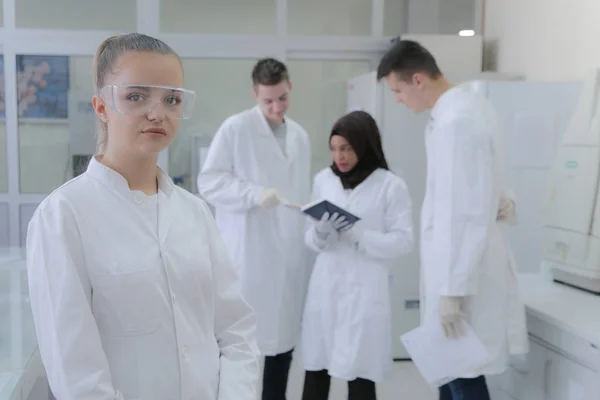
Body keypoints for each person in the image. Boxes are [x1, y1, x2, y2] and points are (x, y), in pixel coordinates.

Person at [26, 33, 260, 400]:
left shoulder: (194, 211)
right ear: (101, 107)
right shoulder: (63, 216)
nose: (157, 113)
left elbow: (236, 330)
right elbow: (76, 371)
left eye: (172, 99)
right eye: (136, 96)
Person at [376, 39, 528, 399]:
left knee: (463, 374)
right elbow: (485, 188)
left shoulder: (457, 122)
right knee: (452, 371)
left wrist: (453, 290)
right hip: (465, 264)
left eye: (397, 90)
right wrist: (503, 200)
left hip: (464, 275)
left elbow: (464, 214)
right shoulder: (468, 108)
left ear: (417, 80)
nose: (398, 99)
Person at [197, 58, 312, 400]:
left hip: (288, 253)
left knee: (282, 345)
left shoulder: (301, 137)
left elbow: (300, 194)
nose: (276, 107)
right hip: (247, 255)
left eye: (282, 98)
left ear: (290, 87)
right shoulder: (236, 128)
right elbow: (210, 181)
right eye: (268, 101)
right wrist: (252, 194)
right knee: (242, 350)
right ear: (255, 94)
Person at [301, 110, 414, 400]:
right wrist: (322, 233)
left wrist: (360, 236)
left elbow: (404, 241)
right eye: (335, 148)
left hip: (365, 287)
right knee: (316, 366)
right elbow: (310, 238)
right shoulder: (324, 179)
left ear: (364, 145)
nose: (340, 156)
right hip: (327, 284)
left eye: (347, 148)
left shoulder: (390, 185)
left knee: (361, 370)